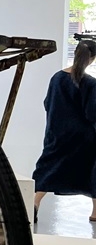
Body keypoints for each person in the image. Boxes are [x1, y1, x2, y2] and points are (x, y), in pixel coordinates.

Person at [33, 40, 96, 223]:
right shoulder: (90, 83)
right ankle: (95, 212)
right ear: (92, 59)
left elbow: (47, 103)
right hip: (83, 137)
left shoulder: (56, 78)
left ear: (75, 53)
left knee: (48, 168)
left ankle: (34, 203)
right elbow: (92, 113)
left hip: (56, 134)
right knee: (92, 169)